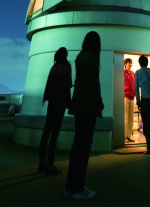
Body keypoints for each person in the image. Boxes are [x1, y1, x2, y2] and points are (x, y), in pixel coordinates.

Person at [66, 31, 104, 200]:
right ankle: (79, 187)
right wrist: (99, 102)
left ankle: (70, 185)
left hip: (78, 104)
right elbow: (94, 82)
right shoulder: (93, 56)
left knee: (77, 146)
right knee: (84, 147)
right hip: (88, 106)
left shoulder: (80, 56)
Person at [38, 46, 72, 175]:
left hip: (51, 103)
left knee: (46, 132)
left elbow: (49, 85)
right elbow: (67, 85)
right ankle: (50, 164)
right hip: (60, 103)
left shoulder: (54, 67)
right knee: (54, 134)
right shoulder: (66, 67)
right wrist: (69, 103)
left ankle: (41, 162)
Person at [124, 58, 135, 142]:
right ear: (125, 64)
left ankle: (129, 136)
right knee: (126, 117)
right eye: (129, 63)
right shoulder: (123, 73)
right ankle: (125, 136)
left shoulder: (132, 73)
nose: (130, 65)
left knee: (131, 117)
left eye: (131, 63)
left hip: (132, 96)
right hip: (125, 96)